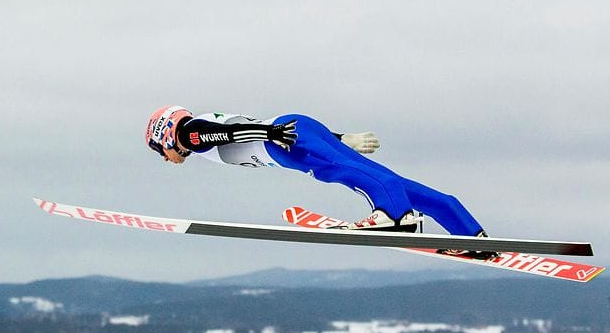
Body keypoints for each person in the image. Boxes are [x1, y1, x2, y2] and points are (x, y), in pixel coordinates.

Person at [145, 106, 493, 257]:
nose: (164, 157)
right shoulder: (199, 125)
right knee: (388, 178)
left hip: (281, 140)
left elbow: (230, 134)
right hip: (297, 126)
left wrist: (271, 134)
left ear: (165, 133)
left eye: (160, 149)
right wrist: (339, 139)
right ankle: (466, 230)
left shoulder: (190, 134)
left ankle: (393, 216)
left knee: (336, 170)